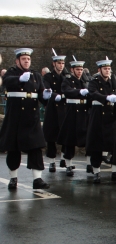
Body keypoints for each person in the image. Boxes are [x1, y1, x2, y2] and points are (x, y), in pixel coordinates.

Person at [0, 48, 52, 189]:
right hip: (15, 117)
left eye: (28, 59)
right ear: (17, 61)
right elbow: (7, 81)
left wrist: (46, 95)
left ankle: (37, 179)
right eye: (23, 59)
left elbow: (40, 93)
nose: (26, 61)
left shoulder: (36, 75)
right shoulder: (12, 72)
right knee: (14, 149)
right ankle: (13, 178)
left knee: (36, 148)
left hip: (32, 116)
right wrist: (19, 79)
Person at [86, 58, 116, 184]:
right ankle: (96, 172)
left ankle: (115, 171)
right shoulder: (94, 82)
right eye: (105, 69)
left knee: (115, 146)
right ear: (99, 70)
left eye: (109, 69)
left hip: (110, 117)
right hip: (98, 116)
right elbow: (93, 93)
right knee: (96, 146)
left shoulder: (112, 82)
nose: (107, 71)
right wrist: (106, 98)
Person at [57, 60, 90, 176]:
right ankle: (68, 164)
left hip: (84, 113)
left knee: (87, 140)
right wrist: (79, 91)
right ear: (72, 70)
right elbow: (67, 91)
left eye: (81, 70)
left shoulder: (85, 81)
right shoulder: (67, 80)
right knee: (69, 141)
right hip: (72, 113)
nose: (80, 72)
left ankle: (89, 163)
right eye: (77, 70)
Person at [42, 54, 68, 172]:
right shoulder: (48, 76)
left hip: (64, 107)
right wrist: (53, 96)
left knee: (65, 135)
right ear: (54, 64)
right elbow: (46, 89)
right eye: (59, 63)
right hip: (52, 108)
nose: (61, 65)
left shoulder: (66, 76)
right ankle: (52, 161)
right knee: (51, 136)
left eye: (62, 63)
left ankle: (64, 158)